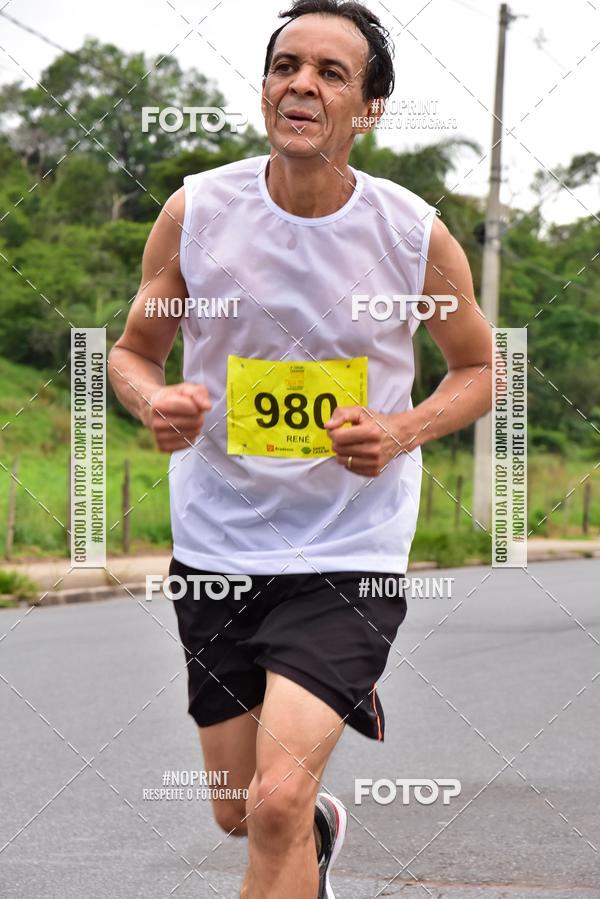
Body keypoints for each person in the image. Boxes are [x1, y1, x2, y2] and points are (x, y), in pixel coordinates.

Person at [108, 1, 492, 896]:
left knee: (274, 799)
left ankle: (298, 818)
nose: (301, 85)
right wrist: (153, 399)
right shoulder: (198, 210)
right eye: (287, 66)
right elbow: (133, 353)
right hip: (218, 549)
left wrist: (398, 430)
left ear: (370, 108)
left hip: (348, 550)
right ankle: (313, 833)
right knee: (243, 809)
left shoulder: (410, 235)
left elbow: (477, 370)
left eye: (330, 73)